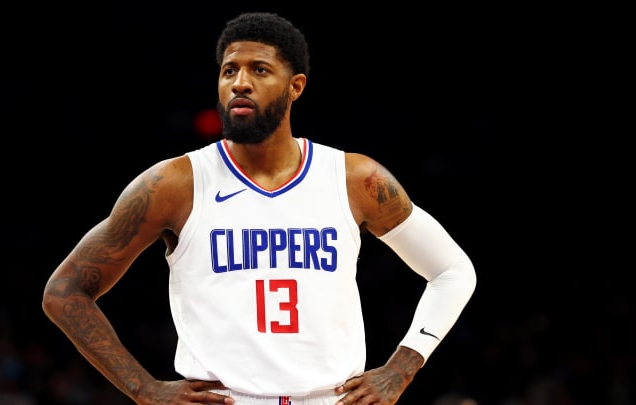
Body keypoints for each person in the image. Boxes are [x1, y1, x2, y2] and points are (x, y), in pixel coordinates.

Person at [42, 11, 477, 405]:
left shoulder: (354, 178)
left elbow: (453, 271)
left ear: (296, 87)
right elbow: (64, 292)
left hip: (332, 397)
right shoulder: (174, 184)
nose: (240, 82)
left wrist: (402, 368)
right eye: (229, 70)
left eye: (259, 70)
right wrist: (143, 389)